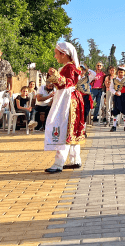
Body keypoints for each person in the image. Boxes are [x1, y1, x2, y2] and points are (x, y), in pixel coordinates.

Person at [44, 42, 85, 173]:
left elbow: (67, 83)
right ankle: (75, 160)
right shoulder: (70, 67)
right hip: (71, 99)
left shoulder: (69, 67)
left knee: (63, 128)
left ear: (64, 54)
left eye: (56, 53)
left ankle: (58, 163)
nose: (55, 56)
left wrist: (56, 76)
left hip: (68, 101)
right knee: (71, 130)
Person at [110, 65, 125, 132]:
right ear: (117, 72)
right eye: (119, 72)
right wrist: (115, 92)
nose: (120, 73)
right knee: (115, 111)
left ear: (124, 73)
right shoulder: (114, 80)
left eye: (122, 72)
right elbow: (111, 88)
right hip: (117, 96)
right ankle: (114, 126)